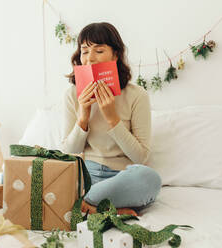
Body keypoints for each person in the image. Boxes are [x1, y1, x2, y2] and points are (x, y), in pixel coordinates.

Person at [62, 22, 161, 216]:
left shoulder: (137, 95)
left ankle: (87, 203)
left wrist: (112, 118)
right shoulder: (72, 95)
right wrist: (83, 116)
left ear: (115, 55)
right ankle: (109, 208)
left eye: (98, 51)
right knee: (27, 174)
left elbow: (140, 157)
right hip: (85, 176)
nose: (89, 59)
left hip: (121, 177)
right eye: (84, 51)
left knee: (150, 178)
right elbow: (68, 152)